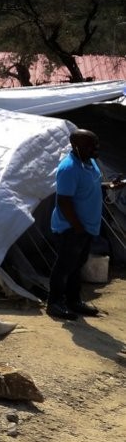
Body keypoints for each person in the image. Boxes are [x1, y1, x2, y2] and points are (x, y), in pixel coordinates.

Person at [47, 129, 126, 320]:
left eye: (96, 144)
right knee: (64, 266)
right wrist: (77, 227)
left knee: (77, 265)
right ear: (76, 146)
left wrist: (111, 186)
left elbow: (90, 186)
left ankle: (73, 301)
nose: (95, 149)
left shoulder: (89, 163)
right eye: (90, 146)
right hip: (71, 229)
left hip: (86, 227)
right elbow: (64, 201)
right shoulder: (69, 168)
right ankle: (54, 303)